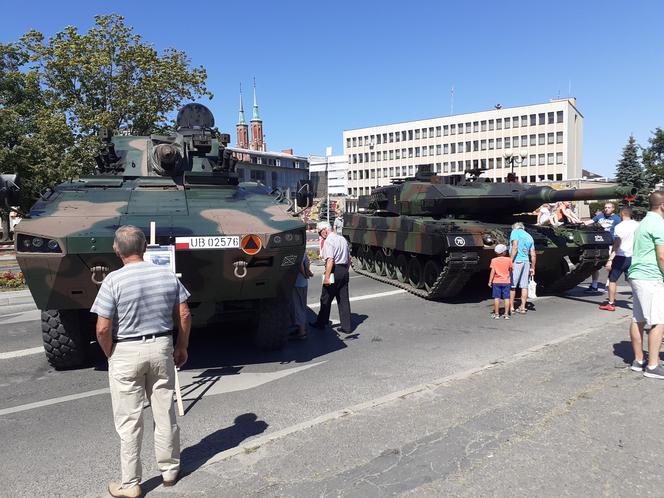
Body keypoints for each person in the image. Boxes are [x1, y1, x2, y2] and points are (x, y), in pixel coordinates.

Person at [91, 225, 191, 497]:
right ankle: (170, 469)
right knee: (164, 411)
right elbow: (183, 313)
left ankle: (131, 483)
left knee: (129, 420)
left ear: (116, 249)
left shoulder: (113, 280)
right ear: (145, 247)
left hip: (126, 351)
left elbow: (102, 328)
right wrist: (181, 345)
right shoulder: (165, 275)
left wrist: (111, 351)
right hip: (161, 347)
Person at [626, 191, 664, 378]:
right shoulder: (659, 224)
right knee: (658, 321)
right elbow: (662, 255)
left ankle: (638, 360)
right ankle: (653, 365)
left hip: (637, 274)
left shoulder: (643, 223)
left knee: (638, 319)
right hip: (651, 276)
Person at [309, 220, 352, 333]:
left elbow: (330, 260)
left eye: (319, 233)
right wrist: (345, 270)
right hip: (343, 270)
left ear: (324, 231)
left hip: (333, 270)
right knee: (343, 299)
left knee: (325, 297)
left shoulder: (329, 241)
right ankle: (346, 327)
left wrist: (327, 276)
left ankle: (321, 323)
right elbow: (349, 258)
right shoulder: (342, 239)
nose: (320, 235)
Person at [599, 206, 639, 311]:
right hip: (634, 256)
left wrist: (610, 260)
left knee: (612, 280)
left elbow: (617, 244)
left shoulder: (619, 227)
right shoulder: (638, 225)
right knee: (634, 281)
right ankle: (640, 303)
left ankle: (611, 304)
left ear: (622, 214)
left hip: (620, 257)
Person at [584, 201, 621, 293]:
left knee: (609, 266)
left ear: (613, 209)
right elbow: (590, 222)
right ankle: (594, 285)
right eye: (605, 207)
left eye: (609, 207)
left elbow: (620, 232)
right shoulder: (600, 216)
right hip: (599, 244)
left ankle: (609, 285)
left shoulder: (617, 219)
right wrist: (580, 222)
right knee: (594, 265)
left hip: (610, 245)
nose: (606, 209)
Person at [509, 222, 536, 314]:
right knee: (524, 286)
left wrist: (510, 261)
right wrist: (533, 267)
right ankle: (523, 307)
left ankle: (511, 307)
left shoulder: (515, 232)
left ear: (515, 228)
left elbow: (515, 247)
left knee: (512, 285)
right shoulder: (529, 236)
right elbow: (533, 254)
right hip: (526, 262)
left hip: (517, 261)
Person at [290, 252, 313, 339]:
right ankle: (301, 328)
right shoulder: (304, 252)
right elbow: (306, 264)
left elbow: (299, 265)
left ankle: (301, 331)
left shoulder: (299, 252)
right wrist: (307, 274)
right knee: (302, 305)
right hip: (303, 282)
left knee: (297, 306)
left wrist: (304, 274)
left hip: (298, 282)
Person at [488, 244, 513, 319]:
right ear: (504, 252)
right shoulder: (509, 260)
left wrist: (490, 281)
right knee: (507, 298)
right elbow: (511, 270)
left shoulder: (494, 260)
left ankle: (496, 314)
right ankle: (506, 314)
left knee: (496, 298)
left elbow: (492, 271)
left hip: (496, 281)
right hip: (506, 281)